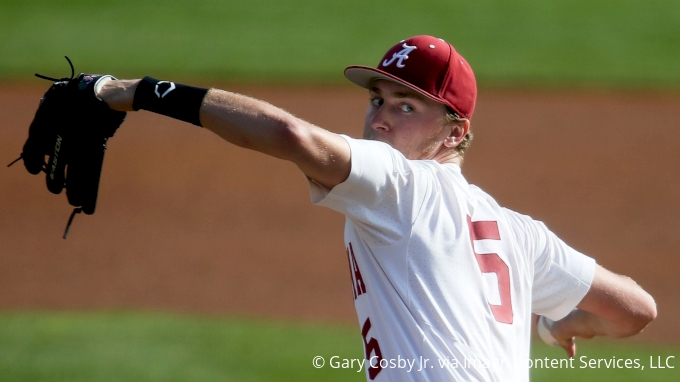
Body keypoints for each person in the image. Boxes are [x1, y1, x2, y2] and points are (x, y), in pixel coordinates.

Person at [95, 35, 656, 381]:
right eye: (377, 99)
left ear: (453, 132)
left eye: (407, 105)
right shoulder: (518, 234)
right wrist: (559, 323)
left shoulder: (401, 185)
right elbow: (635, 308)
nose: (381, 117)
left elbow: (289, 134)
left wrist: (133, 92)